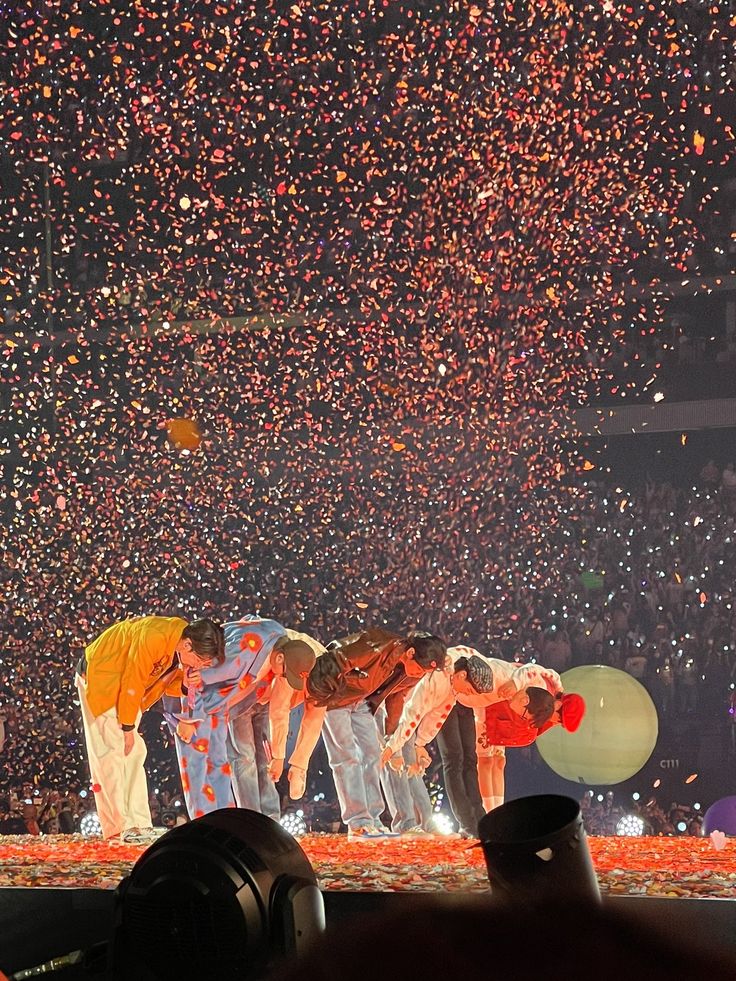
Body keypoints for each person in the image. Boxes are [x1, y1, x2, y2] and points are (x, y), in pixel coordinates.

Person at [269, 627, 445, 840]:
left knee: (372, 755)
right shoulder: (378, 645)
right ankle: (359, 823)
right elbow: (337, 659)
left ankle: (373, 820)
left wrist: (390, 734)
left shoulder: (412, 671)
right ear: (410, 653)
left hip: (361, 701)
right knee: (346, 757)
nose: (420, 674)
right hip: (336, 697)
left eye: (425, 672)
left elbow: (396, 699)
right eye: (420, 669)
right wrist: (324, 693)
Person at [75, 615, 223, 842]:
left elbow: (162, 682)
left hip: (124, 689)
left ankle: (138, 822)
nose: (200, 666)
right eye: (200, 660)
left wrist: (184, 683)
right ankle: (118, 827)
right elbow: (133, 679)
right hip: (101, 676)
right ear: (187, 645)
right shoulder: (155, 636)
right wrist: (127, 727)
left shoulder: (179, 643)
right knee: (112, 751)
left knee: (134, 753)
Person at [172, 616, 319, 819]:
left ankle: (225, 823)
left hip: (223, 706)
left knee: (220, 764)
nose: (283, 678)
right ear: (279, 658)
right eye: (286, 674)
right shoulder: (244, 652)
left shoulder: (276, 635)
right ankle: (206, 824)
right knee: (202, 767)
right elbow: (194, 673)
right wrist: (189, 717)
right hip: (199, 707)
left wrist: (280, 757)